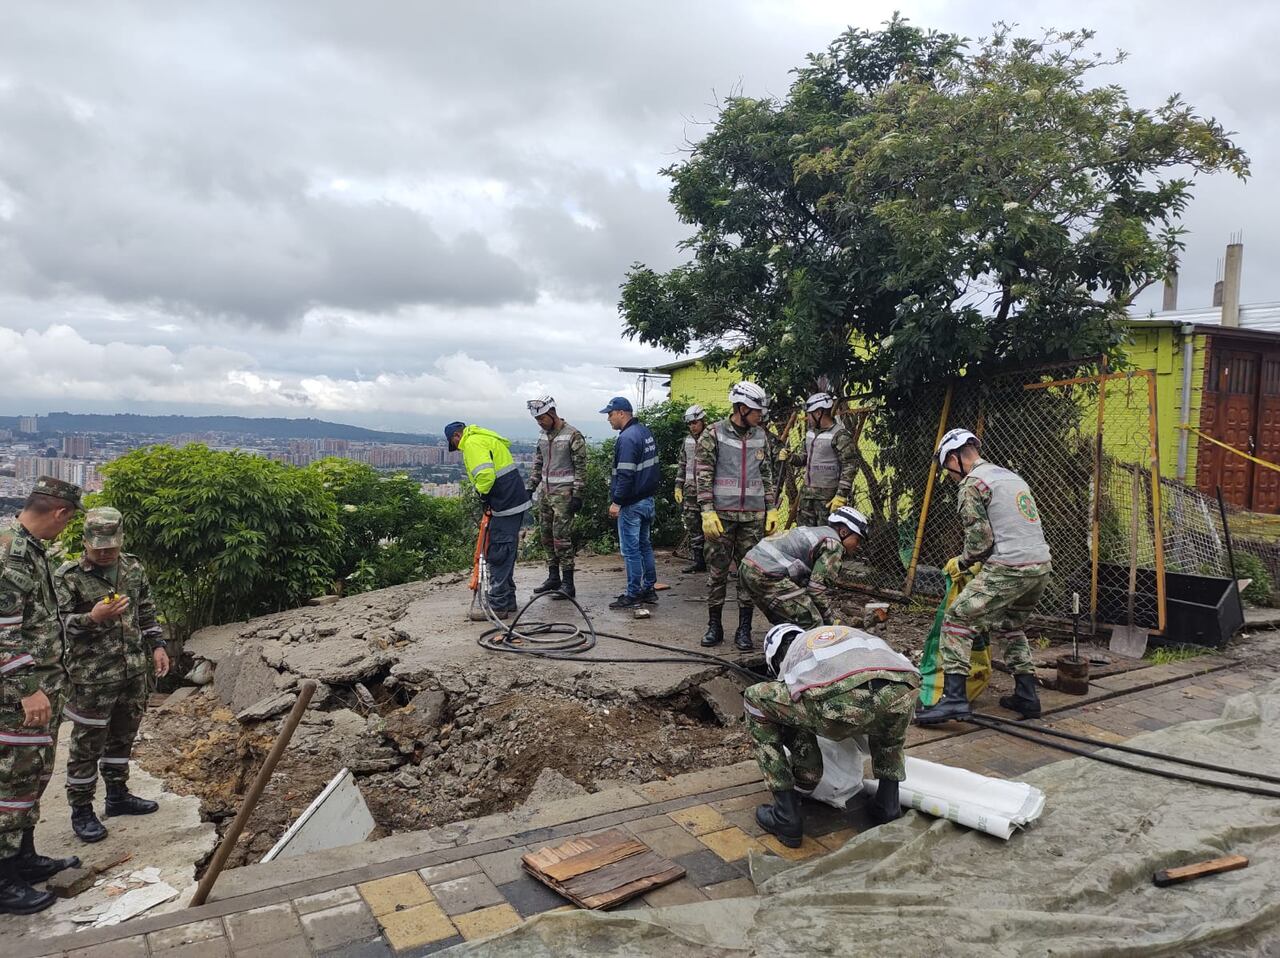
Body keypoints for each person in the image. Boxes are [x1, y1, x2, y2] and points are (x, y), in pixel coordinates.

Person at [916, 428, 1053, 725]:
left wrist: (963, 563)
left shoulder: (972, 484)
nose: (950, 476)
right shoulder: (1009, 477)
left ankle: (953, 700)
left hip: (1010, 567)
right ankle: (1027, 696)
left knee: (957, 619)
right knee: (1010, 625)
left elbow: (980, 542)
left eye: (947, 469)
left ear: (954, 458)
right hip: (1040, 565)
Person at [744, 622, 920, 847]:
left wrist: (807, 775)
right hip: (905, 687)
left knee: (756, 699)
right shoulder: (837, 635)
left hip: (844, 698)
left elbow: (794, 713)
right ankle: (888, 805)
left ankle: (785, 816)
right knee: (889, 730)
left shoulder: (794, 656)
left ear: (773, 658)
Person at [57, 507, 169, 843]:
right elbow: (55, 627)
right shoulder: (68, 577)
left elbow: (145, 611)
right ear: (85, 542)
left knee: (122, 737)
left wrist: (158, 646)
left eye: (111, 546)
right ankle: (82, 810)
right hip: (92, 679)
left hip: (132, 672)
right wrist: (92, 617)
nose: (105, 552)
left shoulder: (133, 567)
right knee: (86, 746)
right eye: (99, 547)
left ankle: (117, 796)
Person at [0, 477, 84, 915]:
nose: (66, 531)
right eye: (68, 523)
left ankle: (23, 857)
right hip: (16, 698)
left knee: (33, 778)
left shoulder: (30, 548)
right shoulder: (10, 554)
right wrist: (29, 690)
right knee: (10, 785)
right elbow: (2, 635)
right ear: (60, 513)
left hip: (42, 692)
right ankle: (2, 881)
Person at [696, 382, 779, 650]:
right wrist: (707, 511)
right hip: (721, 517)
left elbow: (766, 474)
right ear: (741, 408)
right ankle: (714, 626)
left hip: (753, 518)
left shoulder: (760, 435)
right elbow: (703, 474)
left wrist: (772, 508)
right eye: (756, 411)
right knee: (717, 573)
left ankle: (744, 630)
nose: (760, 415)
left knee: (748, 575)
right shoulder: (714, 433)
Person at [446, 422, 532, 620]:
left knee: (499, 551)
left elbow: (485, 475)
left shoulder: (472, 443)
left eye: (455, 443)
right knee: (506, 549)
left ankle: (498, 606)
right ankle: (508, 601)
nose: (458, 448)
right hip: (511, 500)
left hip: (504, 502)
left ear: (457, 435)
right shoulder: (485, 437)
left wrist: (483, 497)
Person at [739, 506, 869, 629]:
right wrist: (831, 622)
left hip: (747, 567)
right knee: (812, 621)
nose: (858, 546)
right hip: (766, 574)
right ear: (844, 532)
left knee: (784, 619)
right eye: (857, 539)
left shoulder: (818, 532)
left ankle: (785, 647)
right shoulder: (834, 545)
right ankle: (810, 652)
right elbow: (816, 590)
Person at [524, 397, 588, 601]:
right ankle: (553, 577)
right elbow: (538, 463)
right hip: (545, 494)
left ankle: (568, 584)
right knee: (546, 536)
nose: (540, 422)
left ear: (552, 413)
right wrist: (530, 487)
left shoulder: (572, 435)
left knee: (562, 539)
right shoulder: (543, 436)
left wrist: (578, 494)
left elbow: (581, 468)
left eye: (542, 418)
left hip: (564, 495)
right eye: (537, 420)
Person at [602, 397, 659, 609]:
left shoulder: (626, 438)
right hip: (647, 500)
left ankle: (633, 593)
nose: (608, 418)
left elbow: (625, 474)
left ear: (621, 413)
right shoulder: (645, 432)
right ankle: (649, 589)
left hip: (632, 504)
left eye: (610, 414)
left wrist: (617, 502)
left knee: (631, 550)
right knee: (645, 546)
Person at [796, 392, 857, 528]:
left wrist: (841, 495)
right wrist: (790, 457)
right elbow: (803, 458)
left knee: (826, 537)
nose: (807, 417)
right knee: (805, 536)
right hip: (807, 497)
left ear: (818, 413)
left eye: (809, 414)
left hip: (828, 499)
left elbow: (850, 465)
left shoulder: (840, 435)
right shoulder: (810, 434)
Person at [674, 404, 708, 574]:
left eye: (695, 422)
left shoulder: (712, 438)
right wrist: (678, 486)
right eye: (690, 424)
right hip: (690, 491)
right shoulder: (687, 441)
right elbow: (682, 464)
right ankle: (698, 562)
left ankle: (716, 563)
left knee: (712, 529)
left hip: (709, 491)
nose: (692, 426)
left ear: (702, 421)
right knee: (693, 526)